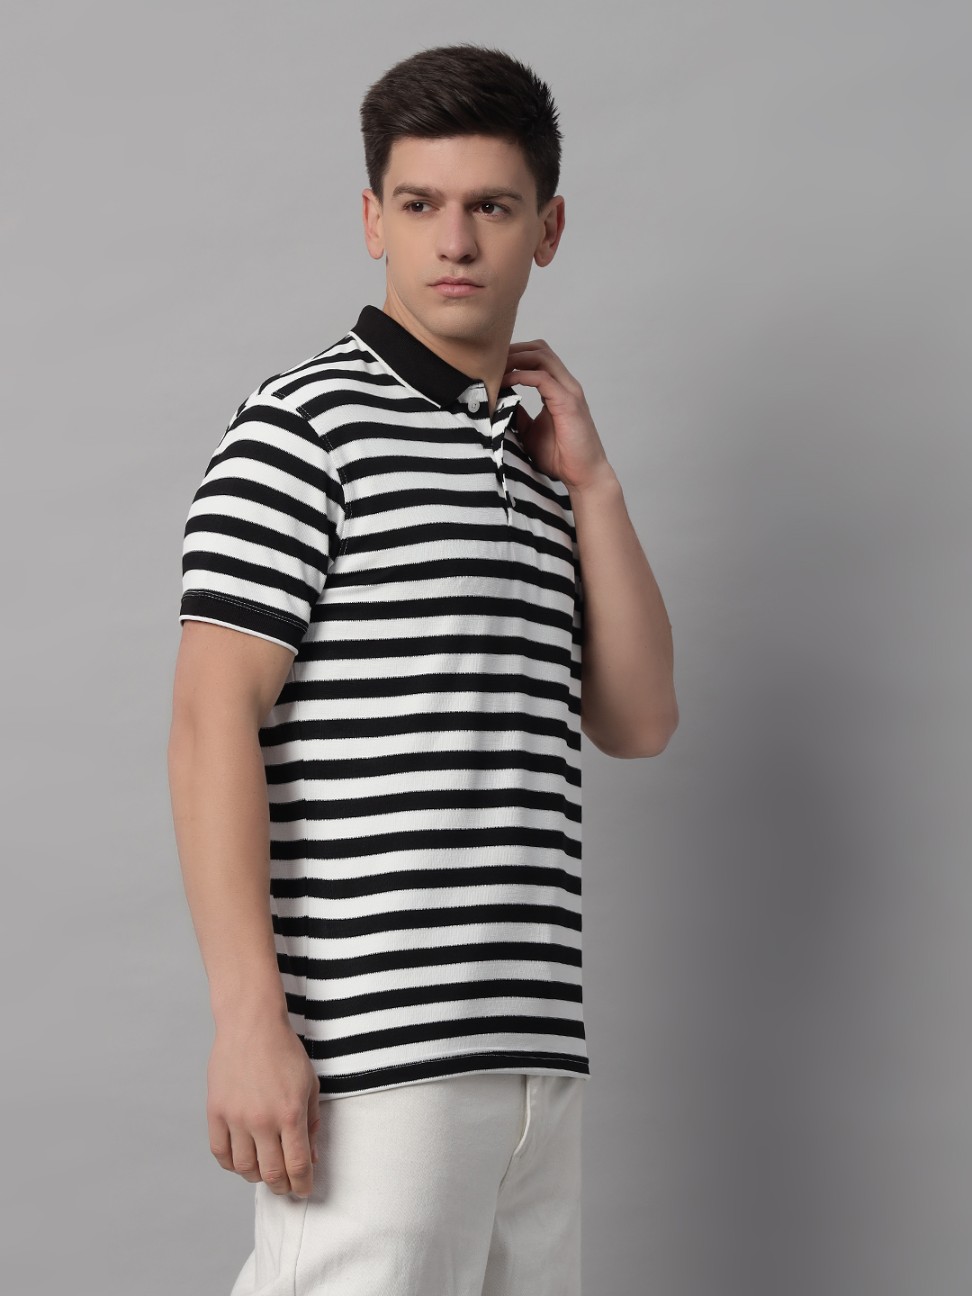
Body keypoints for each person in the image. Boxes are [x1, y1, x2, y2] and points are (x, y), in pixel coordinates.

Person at [167, 42, 678, 1296]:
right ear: (372, 221)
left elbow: (640, 719)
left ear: (547, 229)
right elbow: (208, 720)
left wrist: (596, 485)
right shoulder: (303, 428)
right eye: (420, 204)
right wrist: (248, 1023)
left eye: (491, 206)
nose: (455, 241)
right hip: (374, 1063)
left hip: (534, 1060)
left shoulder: (541, 467)